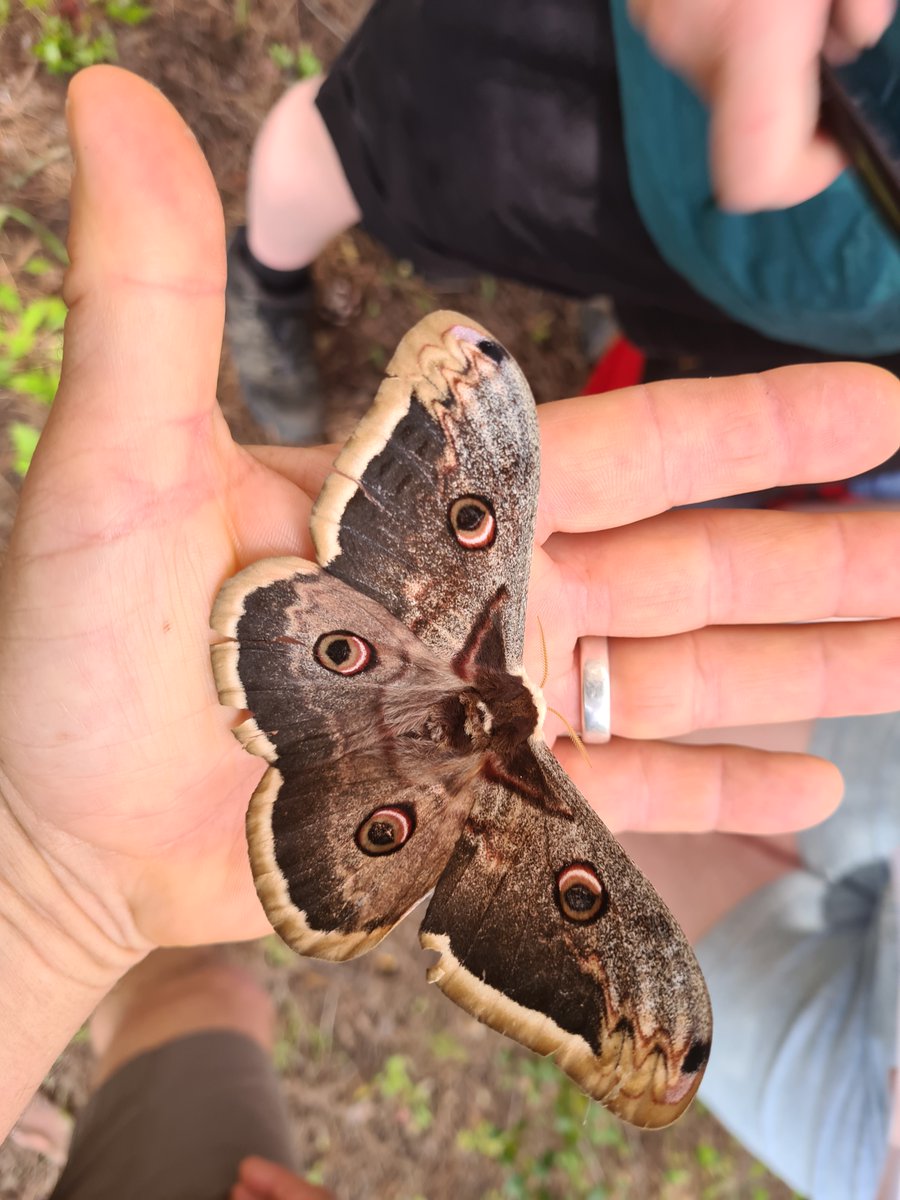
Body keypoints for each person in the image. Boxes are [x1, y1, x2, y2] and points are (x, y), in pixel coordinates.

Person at [3, 66, 900, 1199]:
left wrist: (39, 881)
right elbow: (464, 387)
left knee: (679, 848)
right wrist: (37, 880)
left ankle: (343, 708)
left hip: (433, 675)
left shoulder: (505, 661)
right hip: (475, 782)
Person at [225, 0, 900, 449]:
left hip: (820, 290)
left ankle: (610, 301)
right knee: (358, 143)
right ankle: (266, 277)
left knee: (638, 304)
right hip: (630, 48)